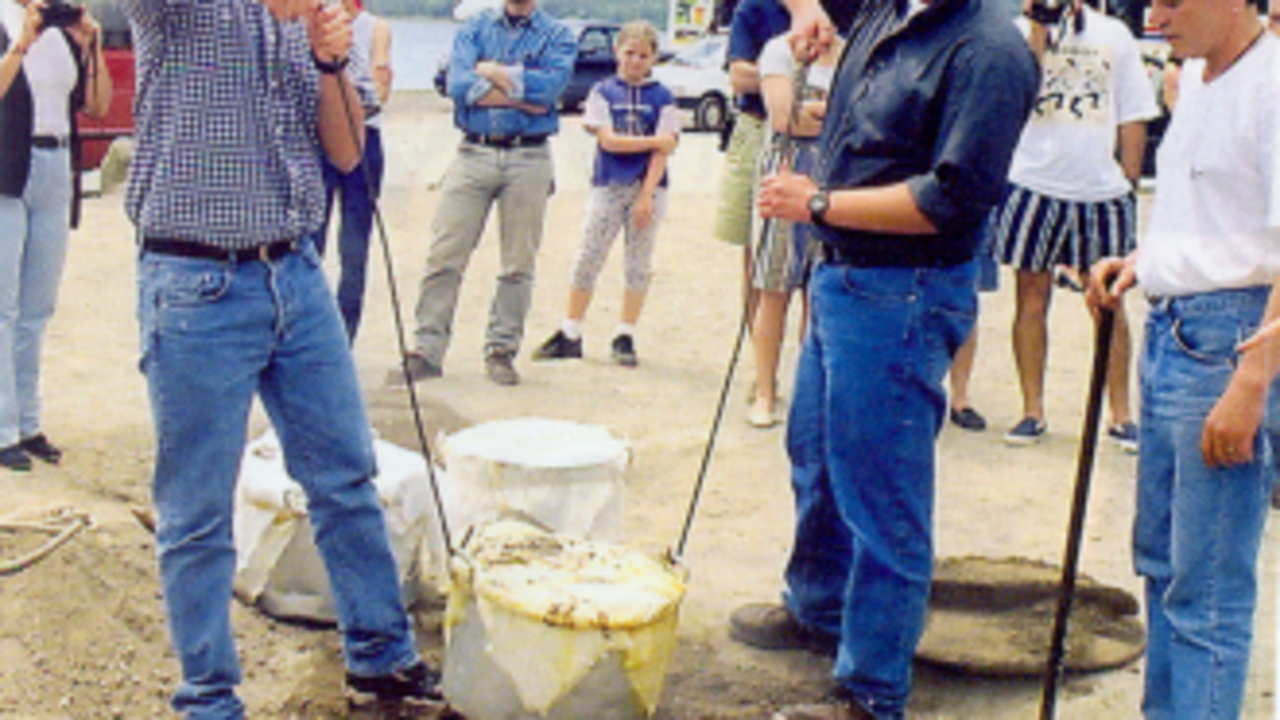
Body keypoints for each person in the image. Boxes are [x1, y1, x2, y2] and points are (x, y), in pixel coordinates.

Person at [120, 0, 441, 714]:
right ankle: (208, 697)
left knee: (346, 477)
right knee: (196, 511)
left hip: (295, 272)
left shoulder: (318, 20)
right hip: (194, 281)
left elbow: (349, 151)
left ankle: (379, 659)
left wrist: (329, 62)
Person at [726, 0, 1039, 718]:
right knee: (815, 456)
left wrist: (820, 203)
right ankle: (820, 611)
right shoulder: (882, 12)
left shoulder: (989, 49)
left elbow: (949, 202)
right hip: (841, 279)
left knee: (883, 500)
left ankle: (871, 692)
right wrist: (806, 12)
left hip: (904, 292)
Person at [1087, 0, 1278, 716]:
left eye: (1171, 2)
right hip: (1174, 331)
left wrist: (1253, 377)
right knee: (1163, 564)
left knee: (1208, 588)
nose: (1156, 17)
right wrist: (1145, 261)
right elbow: (1219, 212)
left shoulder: (1273, 86)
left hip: (1231, 340)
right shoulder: (1198, 81)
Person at [991, 0, 1158, 452]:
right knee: (1030, 297)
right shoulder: (1014, 33)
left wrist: (1128, 179)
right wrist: (1040, 30)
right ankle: (1032, 409)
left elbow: (1134, 111)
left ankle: (1121, 413)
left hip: (1098, 188)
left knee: (1108, 302)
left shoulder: (1113, 35)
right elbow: (1012, 95)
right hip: (1033, 180)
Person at [395, 0, 575, 387]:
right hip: (473, 150)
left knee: (518, 262)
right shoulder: (473, 29)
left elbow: (549, 90)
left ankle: (501, 350)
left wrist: (490, 72)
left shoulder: (558, 35)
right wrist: (518, 90)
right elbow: (457, 84)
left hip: (529, 154)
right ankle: (427, 350)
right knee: (445, 253)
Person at [0, 0, 111, 471]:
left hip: (54, 165)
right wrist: (21, 45)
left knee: (36, 307)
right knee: (2, 305)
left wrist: (93, 47)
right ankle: (3, 426)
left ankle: (28, 421)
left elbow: (99, 105)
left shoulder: (66, 35)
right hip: (7, 170)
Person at [530, 21, 679, 368]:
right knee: (589, 254)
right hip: (609, 183)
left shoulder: (662, 97)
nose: (635, 61)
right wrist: (655, 140)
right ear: (617, 53)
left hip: (648, 186)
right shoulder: (602, 92)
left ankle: (625, 333)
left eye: (643, 55)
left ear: (653, 57)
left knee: (639, 262)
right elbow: (608, 139)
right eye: (629, 53)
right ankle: (571, 330)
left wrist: (647, 194)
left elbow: (664, 151)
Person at [744, 30, 837, 428]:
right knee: (773, 289)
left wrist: (814, 114)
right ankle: (765, 390)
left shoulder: (854, 49)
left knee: (818, 293)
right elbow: (784, 119)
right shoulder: (780, 49)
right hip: (782, 179)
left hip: (832, 183)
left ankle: (807, 390)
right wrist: (826, 114)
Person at [310, 0, 391, 343]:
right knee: (312, 240)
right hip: (318, 134)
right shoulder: (313, 19)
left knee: (355, 246)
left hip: (366, 137)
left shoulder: (375, 27)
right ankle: (311, 329)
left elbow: (380, 88)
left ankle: (346, 335)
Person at [713, 0, 790, 333]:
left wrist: (767, 72)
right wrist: (787, 73)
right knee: (755, 253)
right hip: (757, 125)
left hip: (814, 131)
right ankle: (757, 360)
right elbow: (739, 77)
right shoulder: (754, 7)